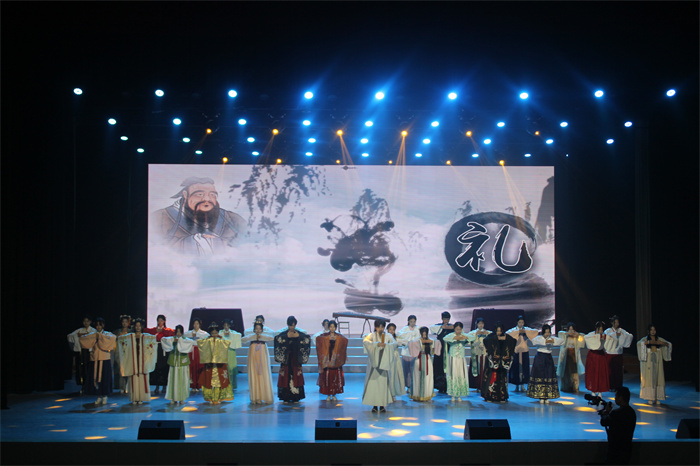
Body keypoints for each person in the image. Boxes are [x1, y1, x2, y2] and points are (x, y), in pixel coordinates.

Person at [151, 176, 245, 255]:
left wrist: (217, 243)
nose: (207, 199)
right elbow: (155, 247)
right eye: (199, 194)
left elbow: (248, 242)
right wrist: (194, 241)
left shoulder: (233, 219)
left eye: (212, 194)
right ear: (185, 195)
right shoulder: (159, 218)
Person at [117, 318, 157, 404]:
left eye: (139, 326)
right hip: (133, 360)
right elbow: (120, 339)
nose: (138, 327)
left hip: (143, 360)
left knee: (142, 378)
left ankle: (141, 397)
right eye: (136, 326)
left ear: (142, 327)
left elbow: (154, 339)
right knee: (134, 378)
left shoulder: (145, 336)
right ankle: (134, 397)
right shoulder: (130, 336)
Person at [362, 320, 397, 412]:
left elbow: (394, 344)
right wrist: (376, 344)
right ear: (375, 327)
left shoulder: (388, 336)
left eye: (382, 327)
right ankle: (374, 405)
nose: (380, 329)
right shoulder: (372, 335)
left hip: (384, 363)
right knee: (373, 385)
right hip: (374, 364)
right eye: (379, 327)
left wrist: (387, 345)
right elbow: (365, 341)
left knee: (383, 385)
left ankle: (382, 405)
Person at [80, 317, 116, 405]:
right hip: (95, 359)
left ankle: (105, 396)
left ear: (103, 325)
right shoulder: (93, 334)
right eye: (97, 325)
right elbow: (83, 339)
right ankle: (99, 396)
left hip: (104, 359)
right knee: (95, 379)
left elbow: (113, 338)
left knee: (105, 379)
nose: (98, 327)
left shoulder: (107, 334)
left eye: (100, 325)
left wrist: (100, 337)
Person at [274, 316, 311, 403]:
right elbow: (277, 339)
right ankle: (285, 397)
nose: (292, 327)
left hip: (295, 358)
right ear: (288, 325)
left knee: (296, 375)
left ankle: (296, 396)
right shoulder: (283, 335)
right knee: (285, 375)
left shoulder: (299, 334)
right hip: (286, 359)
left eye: (293, 325)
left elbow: (306, 339)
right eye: (290, 325)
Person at [197, 322, 234, 404]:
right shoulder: (207, 340)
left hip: (220, 365)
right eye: (213, 333)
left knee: (220, 381)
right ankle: (210, 398)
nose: (214, 335)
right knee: (209, 381)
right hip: (210, 364)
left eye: (216, 333)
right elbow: (199, 342)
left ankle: (218, 398)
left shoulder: (222, 340)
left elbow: (228, 343)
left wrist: (218, 342)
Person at [527, 324, 564, 403]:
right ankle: (540, 395)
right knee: (540, 375)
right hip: (540, 358)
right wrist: (546, 341)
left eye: (549, 332)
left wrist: (552, 341)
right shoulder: (539, 338)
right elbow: (534, 341)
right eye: (546, 332)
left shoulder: (551, 338)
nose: (547, 334)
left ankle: (547, 396)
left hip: (548, 358)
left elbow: (562, 341)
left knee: (548, 375)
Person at [599, 386, 636, 465]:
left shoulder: (616, 413)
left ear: (621, 398)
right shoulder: (632, 412)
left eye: (616, 396)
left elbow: (604, 422)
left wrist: (606, 412)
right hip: (627, 449)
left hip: (615, 449)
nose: (615, 398)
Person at [636, 325, 672, 404]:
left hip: (657, 360)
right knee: (650, 378)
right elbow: (639, 344)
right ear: (648, 331)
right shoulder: (645, 339)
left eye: (654, 330)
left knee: (658, 377)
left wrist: (661, 343)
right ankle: (650, 397)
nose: (653, 331)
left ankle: (657, 397)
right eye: (651, 330)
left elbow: (668, 344)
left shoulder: (659, 339)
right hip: (648, 361)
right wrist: (648, 342)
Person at [481, 322, 516, 403]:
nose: (499, 333)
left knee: (501, 379)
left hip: (502, 362)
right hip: (493, 362)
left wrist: (504, 339)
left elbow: (513, 341)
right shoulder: (491, 337)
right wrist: (495, 339)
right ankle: (489, 396)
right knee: (491, 378)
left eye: (500, 331)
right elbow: (485, 341)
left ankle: (502, 396)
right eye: (497, 331)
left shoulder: (506, 337)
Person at [241, 322, 275, 404]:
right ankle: (256, 397)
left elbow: (271, 338)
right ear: (254, 329)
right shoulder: (252, 336)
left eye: (259, 329)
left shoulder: (265, 336)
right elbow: (243, 339)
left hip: (262, 353)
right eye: (256, 329)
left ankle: (264, 396)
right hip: (253, 353)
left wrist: (261, 337)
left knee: (263, 373)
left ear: (262, 329)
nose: (258, 330)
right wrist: (254, 337)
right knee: (254, 373)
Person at [160, 325, 195, 405]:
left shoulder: (185, 340)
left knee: (182, 380)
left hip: (182, 363)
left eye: (180, 332)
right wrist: (173, 341)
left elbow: (191, 342)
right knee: (173, 380)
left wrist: (180, 341)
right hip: (174, 362)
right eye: (177, 331)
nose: (178, 333)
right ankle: (173, 397)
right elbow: (163, 339)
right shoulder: (172, 339)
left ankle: (182, 397)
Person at [316, 320, 348, 401]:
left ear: (336, 328)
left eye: (334, 327)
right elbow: (318, 339)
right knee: (327, 377)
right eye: (331, 327)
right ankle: (328, 394)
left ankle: (334, 394)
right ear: (329, 327)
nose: (332, 328)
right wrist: (327, 339)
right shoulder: (324, 335)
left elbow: (345, 341)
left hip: (336, 359)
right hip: (327, 358)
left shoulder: (339, 336)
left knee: (335, 377)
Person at [144, 314, 175, 394]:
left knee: (164, 367)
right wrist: (156, 331)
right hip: (156, 350)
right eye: (158, 320)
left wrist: (162, 331)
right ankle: (157, 385)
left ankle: (164, 385)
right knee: (156, 367)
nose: (160, 322)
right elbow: (146, 332)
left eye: (161, 320)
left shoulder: (167, 330)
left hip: (164, 351)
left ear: (164, 321)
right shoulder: (154, 330)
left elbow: (172, 333)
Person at [506, 316, 538, 392]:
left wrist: (525, 332)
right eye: (519, 322)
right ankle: (516, 385)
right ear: (517, 322)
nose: (521, 324)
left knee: (524, 369)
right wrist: (518, 332)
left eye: (522, 322)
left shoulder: (526, 329)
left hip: (524, 351)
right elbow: (507, 334)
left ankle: (523, 385)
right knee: (516, 369)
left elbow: (535, 332)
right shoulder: (514, 330)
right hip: (516, 351)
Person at [408, 327, 440, 402]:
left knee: (427, 377)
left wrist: (430, 343)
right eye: (423, 333)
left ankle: (426, 394)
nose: (424, 335)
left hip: (427, 359)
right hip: (419, 359)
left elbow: (435, 346)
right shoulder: (417, 340)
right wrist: (421, 342)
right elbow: (412, 344)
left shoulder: (431, 340)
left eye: (425, 333)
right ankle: (417, 395)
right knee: (418, 376)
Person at [67, 316, 95, 394]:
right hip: (81, 352)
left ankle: (90, 386)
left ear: (90, 322)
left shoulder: (93, 330)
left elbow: (93, 336)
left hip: (89, 353)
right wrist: (78, 335)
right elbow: (70, 336)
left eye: (87, 321)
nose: (86, 323)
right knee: (82, 370)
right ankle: (83, 386)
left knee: (89, 369)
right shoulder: (79, 330)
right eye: (84, 321)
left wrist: (84, 335)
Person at [604, 316, 633, 391]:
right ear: (612, 323)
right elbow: (606, 337)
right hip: (610, 353)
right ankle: (611, 386)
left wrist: (621, 335)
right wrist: (615, 335)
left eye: (617, 322)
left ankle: (618, 386)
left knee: (618, 371)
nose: (617, 323)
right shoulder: (608, 331)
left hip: (618, 353)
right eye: (615, 322)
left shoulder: (621, 330)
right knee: (610, 371)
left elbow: (629, 336)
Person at [443, 322, 470, 401]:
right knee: (453, 374)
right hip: (453, 357)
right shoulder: (451, 335)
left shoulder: (463, 335)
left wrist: (464, 337)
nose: (458, 331)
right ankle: (453, 394)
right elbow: (445, 338)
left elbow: (472, 338)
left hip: (461, 358)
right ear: (454, 329)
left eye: (460, 329)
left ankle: (459, 395)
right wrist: (455, 338)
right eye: (457, 329)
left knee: (460, 374)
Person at [429, 311, 454, 394]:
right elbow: (432, 329)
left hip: (449, 349)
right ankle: (440, 385)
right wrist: (442, 327)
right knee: (439, 367)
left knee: (448, 367)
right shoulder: (438, 326)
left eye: (447, 319)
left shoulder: (452, 327)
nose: (446, 320)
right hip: (440, 349)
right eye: (444, 319)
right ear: (442, 319)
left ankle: (448, 385)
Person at [584, 321, 613, 396]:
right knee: (592, 373)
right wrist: (597, 337)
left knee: (601, 374)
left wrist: (605, 338)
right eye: (600, 329)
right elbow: (586, 337)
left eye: (602, 330)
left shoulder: (604, 335)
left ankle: (600, 391)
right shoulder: (591, 334)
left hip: (600, 355)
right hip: (592, 356)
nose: (601, 331)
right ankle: (593, 391)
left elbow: (611, 339)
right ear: (596, 329)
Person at [557, 322, 586, 393]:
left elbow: (582, 338)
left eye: (572, 329)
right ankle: (565, 387)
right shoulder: (564, 335)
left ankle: (575, 387)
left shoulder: (577, 336)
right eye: (570, 329)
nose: (571, 331)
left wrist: (577, 335)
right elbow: (560, 334)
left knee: (574, 372)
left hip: (574, 356)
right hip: (567, 356)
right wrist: (567, 334)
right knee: (566, 372)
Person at [184, 318, 210, 393]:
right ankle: (192, 385)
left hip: (199, 351)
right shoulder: (187, 334)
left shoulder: (204, 334)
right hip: (190, 351)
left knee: (198, 367)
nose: (195, 325)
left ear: (200, 324)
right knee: (191, 368)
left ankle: (198, 385)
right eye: (194, 324)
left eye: (197, 324)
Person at [466, 318, 491, 391]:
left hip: (484, 353)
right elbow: (467, 340)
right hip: (476, 353)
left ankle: (483, 385)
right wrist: (476, 336)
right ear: (477, 324)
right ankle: (477, 385)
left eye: (482, 323)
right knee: (477, 369)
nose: (481, 325)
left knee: (484, 369)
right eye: (479, 323)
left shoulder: (487, 332)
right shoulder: (473, 333)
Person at [397, 315, 420, 393]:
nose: (412, 323)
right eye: (411, 321)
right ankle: (408, 386)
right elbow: (400, 336)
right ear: (408, 321)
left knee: (413, 370)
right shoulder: (404, 329)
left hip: (414, 352)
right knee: (406, 370)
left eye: (414, 321)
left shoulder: (418, 329)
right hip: (406, 352)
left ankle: (414, 386)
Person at [220, 319, 242, 390]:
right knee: (224, 368)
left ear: (230, 326)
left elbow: (238, 335)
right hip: (223, 352)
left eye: (227, 325)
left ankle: (232, 384)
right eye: (225, 325)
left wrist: (230, 336)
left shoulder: (233, 333)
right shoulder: (220, 332)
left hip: (231, 352)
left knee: (231, 368)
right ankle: (224, 383)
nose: (226, 327)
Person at [386, 323, 406, 399]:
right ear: (387, 330)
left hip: (395, 357)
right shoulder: (385, 338)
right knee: (388, 375)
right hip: (387, 356)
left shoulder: (396, 338)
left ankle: (393, 393)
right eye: (390, 329)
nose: (391, 331)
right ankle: (387, 393)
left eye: (393, 330)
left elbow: (404, 342)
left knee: (395, 375)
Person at [112, 315, 132, 394]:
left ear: (128, 323)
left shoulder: (131, 332)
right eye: (123, 322)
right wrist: (117, 337)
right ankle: (121, 386)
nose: (124, 323)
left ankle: (127, 386)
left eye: (126, 322)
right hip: (119, 352)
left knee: (128, 369)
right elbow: (112, 338)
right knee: (120, 369)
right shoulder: (117, 332)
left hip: (128, 352)